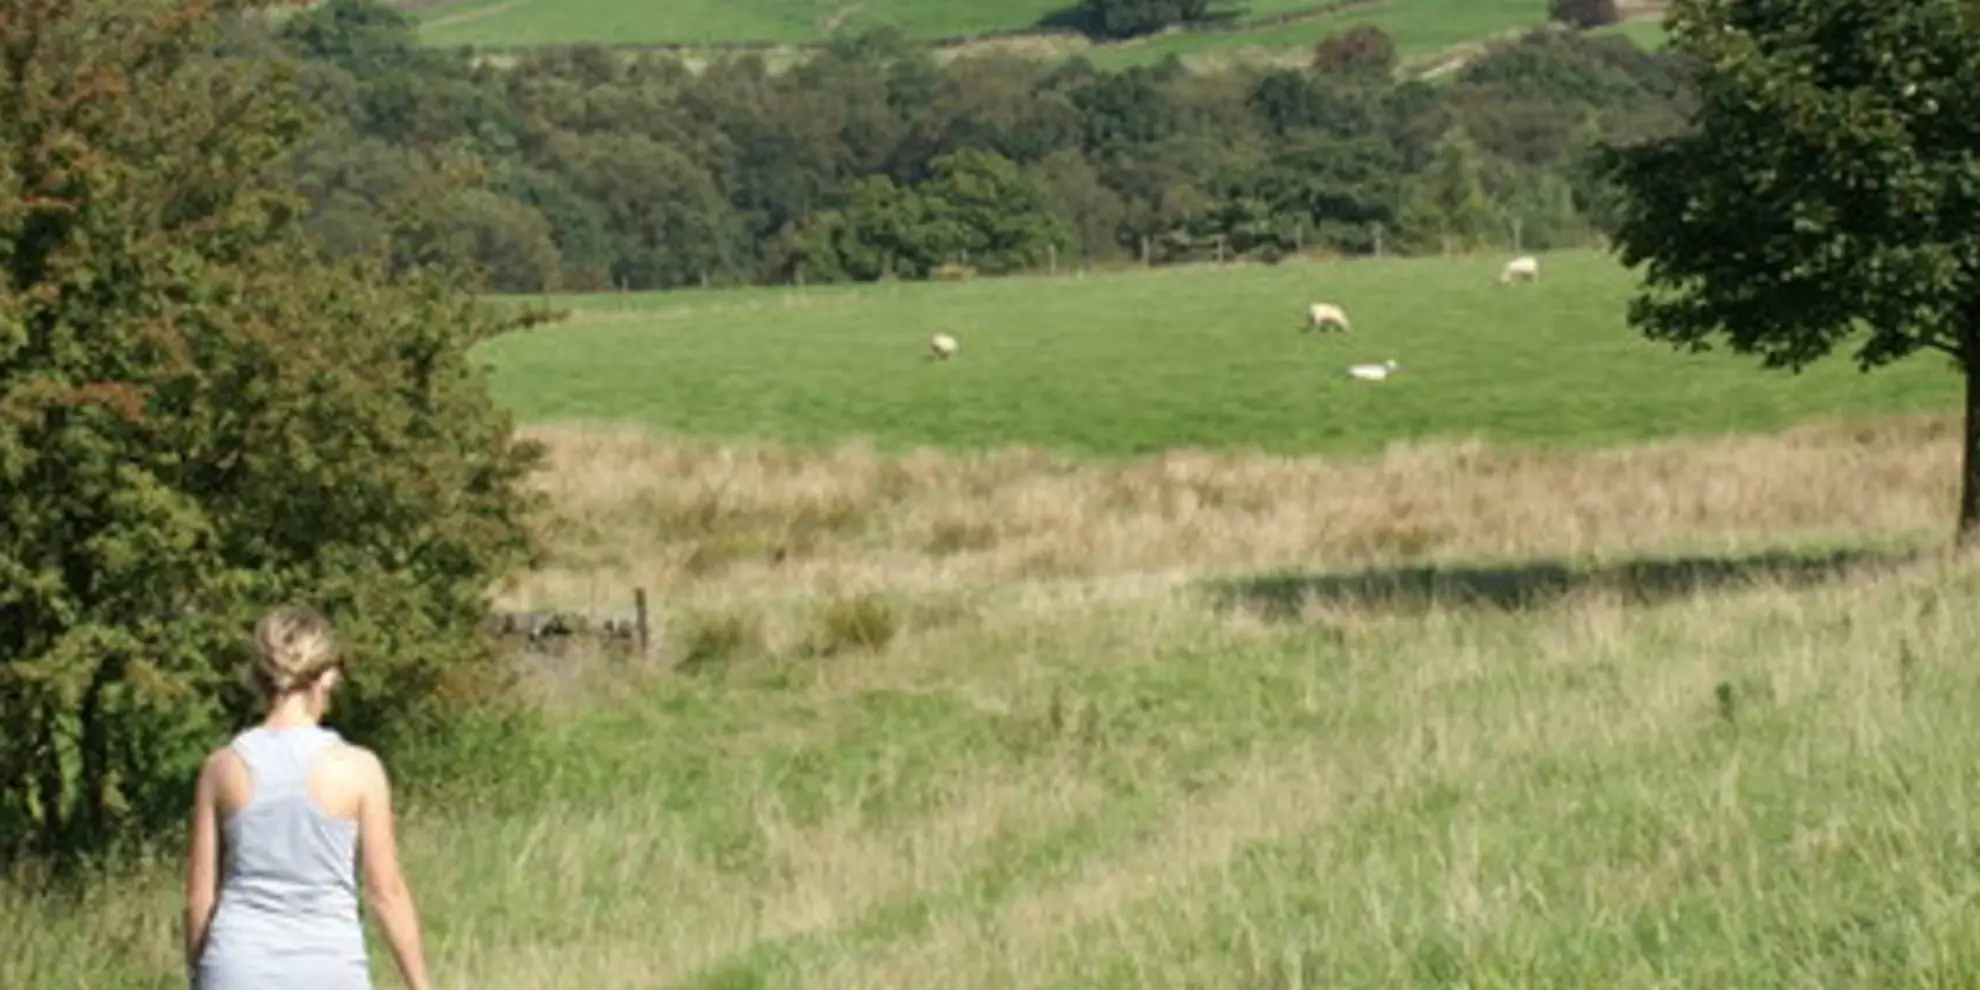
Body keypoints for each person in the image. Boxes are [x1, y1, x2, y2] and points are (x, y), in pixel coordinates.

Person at [182, 605, 434, 990]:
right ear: (328, 676)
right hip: (329, 964)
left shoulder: (222, 768)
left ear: (257, 676)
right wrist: (420, 984)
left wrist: (201, 973)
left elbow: (200, 896)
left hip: (238, 962)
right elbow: (386, 892)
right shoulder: (359, 769)